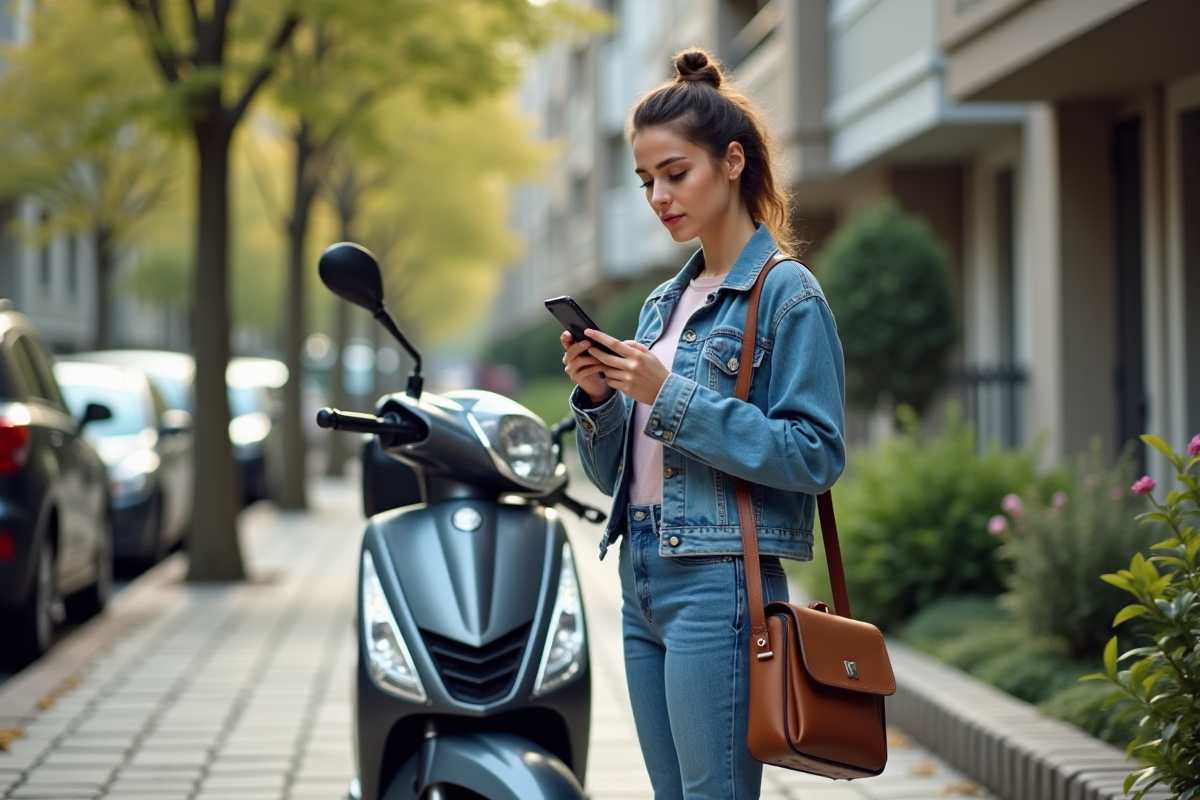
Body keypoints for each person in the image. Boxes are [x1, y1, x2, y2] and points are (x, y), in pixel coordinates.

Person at [560, 48, 847, 799]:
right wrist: (601, 402)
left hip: (719, 580)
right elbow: (619, 472)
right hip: (642, 572)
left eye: (674, 173)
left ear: (730, 162)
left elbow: (815, 454)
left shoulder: (786, 295)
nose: (658, 195)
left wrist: (673, 396)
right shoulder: (664, 302)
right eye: (645, 179)